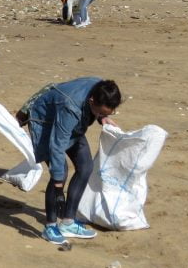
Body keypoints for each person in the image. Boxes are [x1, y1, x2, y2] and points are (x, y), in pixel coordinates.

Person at [17, 77, 122, 244]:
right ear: (91, 100)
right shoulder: (71, 106)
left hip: (71, 122)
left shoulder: (102, 88)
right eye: (100, 112)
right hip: (44, 121)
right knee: (61, 173)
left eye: (108, 113)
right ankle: (50, 226)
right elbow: (57, 145)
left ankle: (68, 222)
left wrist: (103, 118)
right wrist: (58, 183)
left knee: (86, 166)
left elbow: (96, 109)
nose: (102, 116)